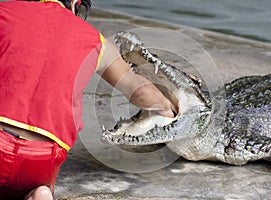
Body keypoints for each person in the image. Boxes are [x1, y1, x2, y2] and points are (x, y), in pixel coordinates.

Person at [0, 0, 175, 199]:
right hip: (44, 158)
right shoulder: (97, 41)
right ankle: (39, 192)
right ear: (75, 4)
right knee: (30, 183)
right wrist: (167, 106)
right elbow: (138, 91)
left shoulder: (5, 11)